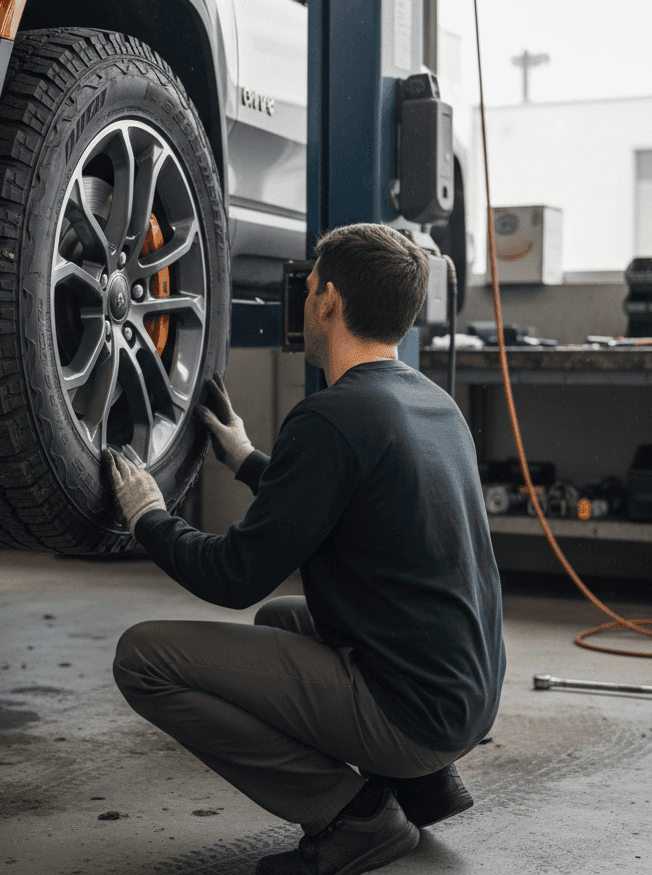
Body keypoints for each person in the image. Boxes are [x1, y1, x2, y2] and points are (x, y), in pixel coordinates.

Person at [103, 222, 505, 875]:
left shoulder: (330, 417)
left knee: (143, 658)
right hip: (465, 696)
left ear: (329, 302)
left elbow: (235, 576)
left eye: (311, 286)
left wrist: (150, 518)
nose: (306, 299)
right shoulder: (433, 404)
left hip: (412, 716)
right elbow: (353, 501)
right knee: (283, 622)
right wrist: (245, 457)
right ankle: (421, 784)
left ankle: (352, 821)